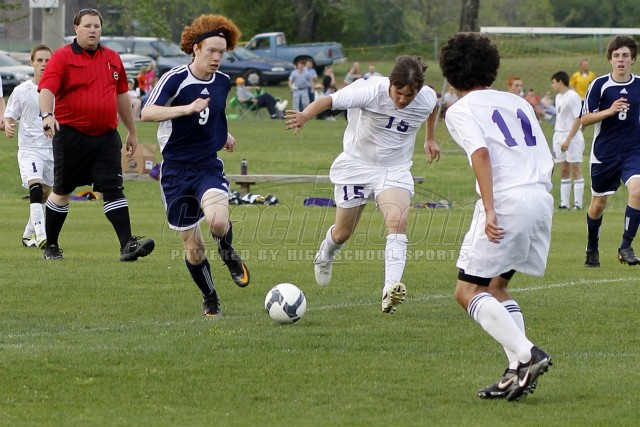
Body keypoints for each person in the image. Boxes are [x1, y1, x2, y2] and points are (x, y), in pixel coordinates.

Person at [440, 32, 553, 402]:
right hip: (540, 197)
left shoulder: (460, 109)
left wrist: (490, 209)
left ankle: (528, 354)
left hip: (507, 203)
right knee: (496, 287)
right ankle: (516, 371)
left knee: (467, 291)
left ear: (451, 74)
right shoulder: (517, 102)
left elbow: (481, 154)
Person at [285, 55, 440, 315]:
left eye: (409, 95)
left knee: (398, 221)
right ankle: (325, 254)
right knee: (342, 233)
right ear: (390, 84)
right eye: (399, 93)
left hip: (393, 169)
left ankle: (390, 288)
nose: (403, 100)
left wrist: (430, 138)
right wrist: (305, 115)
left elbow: (432, 108)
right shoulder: (369, 91)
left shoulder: (425, 97)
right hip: (356, 166)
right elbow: (329, 100)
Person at [141, 14, 250, 318]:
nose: (216, 58)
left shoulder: (223, 82)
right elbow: (147, 113)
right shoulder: (175, 78)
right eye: (211, 51)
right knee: (194, 247)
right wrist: (186, 108)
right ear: (196, 48)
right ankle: (210, 297)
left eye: (221, 52)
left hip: (206, 166)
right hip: (175, 172)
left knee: (218, 221)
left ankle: (227, 252)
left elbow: (214, 115)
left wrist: (223, 134)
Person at [38, 8, 155, 261]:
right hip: (71, 136)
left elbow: (122, 96)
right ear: (76, 28)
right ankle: (52, 246)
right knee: (62, 191)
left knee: (113, 188)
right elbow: (46, 89)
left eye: (97, 26)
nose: (93, 30)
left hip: (106, 137)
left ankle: (127, 245)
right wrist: (47, 115)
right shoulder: (62, 57)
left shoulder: (112, 58)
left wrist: (132, 131)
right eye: (88, 26)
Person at [581, 35, 640, 267]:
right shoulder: (599, 85)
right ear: (610, 59)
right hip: (605, 153)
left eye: (625, 55)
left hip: (633, 151)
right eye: (616, 56)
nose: (621, 60)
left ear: (633, 59)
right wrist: (609, 111)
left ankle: (625, 247)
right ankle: (592, 248)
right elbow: (585, 119)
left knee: (638, 191)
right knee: (598, 205)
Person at [4, 44, 53, 249]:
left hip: (51, 149)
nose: (43, 64)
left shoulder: (58, 90)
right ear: (32, 62)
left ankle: (27, 235)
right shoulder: (21, 90)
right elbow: (9, 116)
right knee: (35, 187)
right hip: (29, 149)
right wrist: (8, 125)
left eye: (47, 60)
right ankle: (42, 235)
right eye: (39, 60)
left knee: (47, 194)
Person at [551, 71, 585, 210]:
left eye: (553, 82)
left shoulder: (573, 96)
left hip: (572, 136)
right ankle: (564, 204)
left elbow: (578, 118)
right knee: (563, 170)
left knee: (575, 168)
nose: (552, 85)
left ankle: (578, 204)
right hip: (558, 135)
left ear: (560, 81)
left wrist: (568, 139)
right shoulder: (558, 97)